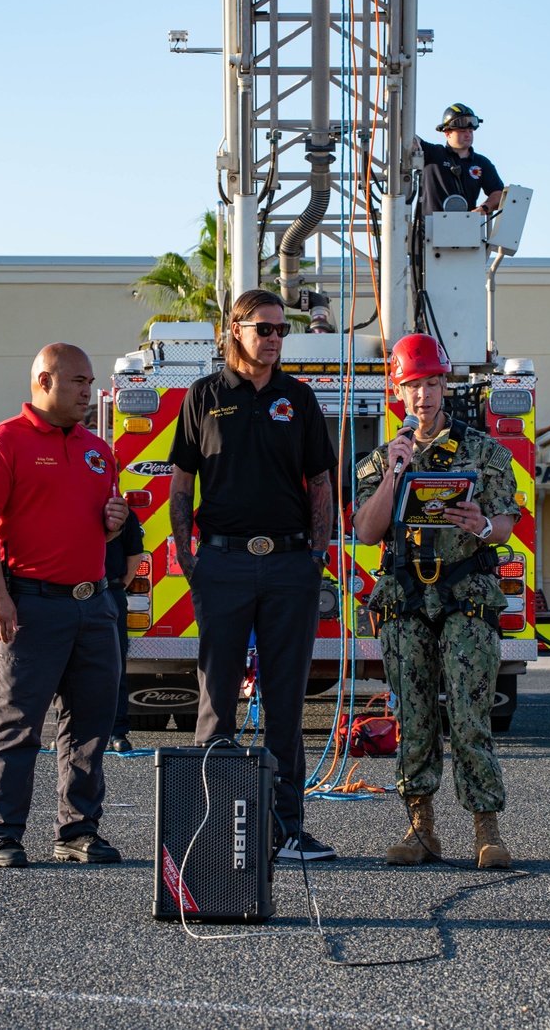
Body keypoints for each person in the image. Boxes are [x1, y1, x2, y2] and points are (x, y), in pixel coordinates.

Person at [168, 288, 338, 861]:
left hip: (291, 565)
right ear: (234, 329)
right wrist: (190, 558)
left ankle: (287, 827)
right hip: (223, 564)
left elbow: (320, 482)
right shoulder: (203, 396)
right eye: (264, 328)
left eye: (281, 330)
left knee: (286, 701)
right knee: (216, 701)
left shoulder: (300, 399)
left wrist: (316, 556)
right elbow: (181, 484)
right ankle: (209, 832)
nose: (274, 339)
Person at [353, 333, 520, 869]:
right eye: (412, 386)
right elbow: (366, 531)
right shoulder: (382, 458)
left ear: (444, 385)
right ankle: (421, 829)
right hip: (405, 600)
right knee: (416, 718)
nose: (422, 395)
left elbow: (507, 523)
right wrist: (395, 472)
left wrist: (484, 524)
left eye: (430, 383)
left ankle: (485, 831)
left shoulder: (483, 450)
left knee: (471, 716)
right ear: (397, 394)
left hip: (465, 597)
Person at [0, 343, 130, 868]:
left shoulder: (98, 450)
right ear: (43, 382)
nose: (89, 391)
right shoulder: (0, 444)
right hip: (31, 604)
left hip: (94, 604)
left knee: (90, 724)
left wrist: (113, 522)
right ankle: (1, 833)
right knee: (17, 723)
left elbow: (98, 524)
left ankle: (77, 831)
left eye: (90, 381)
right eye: (78, 381)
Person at [105, 504, 145, 753]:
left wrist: (118, 586)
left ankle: (117, 731)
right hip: (68, 592)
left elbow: (134, 555)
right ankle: (71, 729)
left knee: (114, 666)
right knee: (67, 668)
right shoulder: (69, 502)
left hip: (109, 592)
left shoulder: (124, 513)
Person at [416, 102, 504, 216]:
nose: (468, 135)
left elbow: (498, 193)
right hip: (429, 230)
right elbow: (407, 137)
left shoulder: (482, 163)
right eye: (462, 131)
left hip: (464, 230)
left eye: (471, 131)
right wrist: (392, 99)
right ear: (447, 133)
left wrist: (483, 209)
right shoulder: (434, 154)